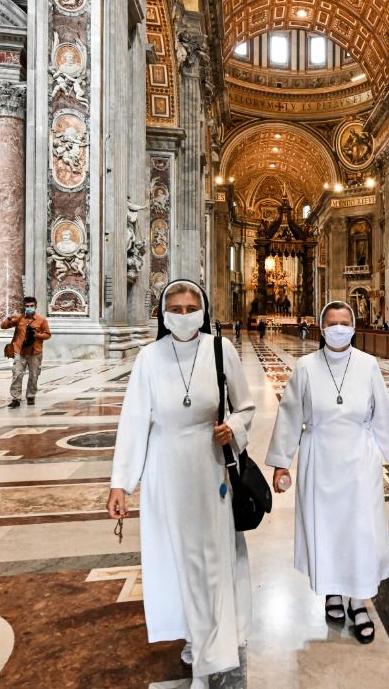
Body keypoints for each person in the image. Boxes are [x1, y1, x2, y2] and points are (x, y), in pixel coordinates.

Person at [106, 280, 256, 687]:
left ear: (204, 311)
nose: (184, 313)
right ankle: (192, 633)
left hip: (210, 470)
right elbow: (135, 422)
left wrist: (234, 428)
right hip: (165, 471)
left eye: (192, 307)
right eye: (176, 307)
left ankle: (210, 648)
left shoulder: (220, 351)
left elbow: (246, 406)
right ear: (162, 312)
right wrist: (121, 484)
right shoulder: (148, 358)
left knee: (209, 559)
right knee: (175, 559)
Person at [266, 302, 389, 644]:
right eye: (332, 322)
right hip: (319, 456)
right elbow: (289, 415)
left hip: (360, 458)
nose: (339, 327)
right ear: (321, 327)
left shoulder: (368, 364)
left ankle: (359, 599)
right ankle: (332, 591)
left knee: (360, 529)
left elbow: (382, 413)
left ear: (354, 326)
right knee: (326, 529)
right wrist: (282, 461)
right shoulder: (305, 366)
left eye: (345, 322)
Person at [0, 296, 52, 408]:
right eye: (27, 306)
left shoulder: (41, 320)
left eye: (31, 306)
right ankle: (16, 398)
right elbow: (3, 326)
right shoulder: (19, 319)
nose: (29, 308)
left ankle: (31, 395)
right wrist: (9, 318)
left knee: (34, 375)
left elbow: (48, 334)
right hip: (20, 351)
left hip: (35, 352)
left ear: (35, 306)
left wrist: (37, 335)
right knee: (17, 374)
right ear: (24, 307)